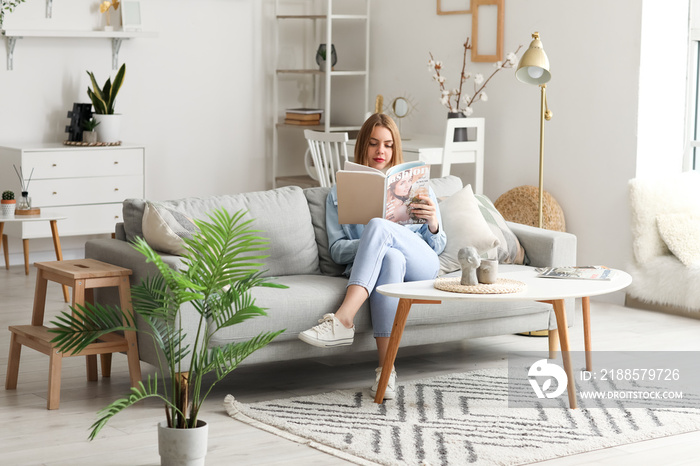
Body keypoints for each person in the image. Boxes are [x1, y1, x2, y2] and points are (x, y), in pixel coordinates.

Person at [298, 113, 446, 399]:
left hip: (424, 264)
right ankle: (386, 371)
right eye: (374, 143)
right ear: (363, 146)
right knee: (390, 257)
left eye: (389, 145)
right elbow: (338, 250)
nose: (381, 151)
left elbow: (437, 246)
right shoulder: (338, 192)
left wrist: (433, 223)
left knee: (380, 227)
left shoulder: (418, 188)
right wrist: (372, 245)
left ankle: (343, 319)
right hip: (392, 265)